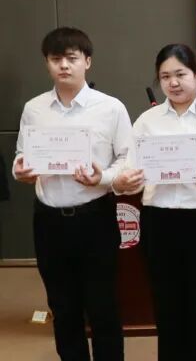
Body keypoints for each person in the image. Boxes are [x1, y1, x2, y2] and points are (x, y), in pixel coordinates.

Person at [112, 44, 196, 361]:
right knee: (168, 308)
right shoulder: (147, 121)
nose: (173, 82)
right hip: (160, 223)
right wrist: (126, 180)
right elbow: (129, 169)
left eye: (180, 74)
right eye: (165, 76)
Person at [12, 26, 132, 361]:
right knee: (62, 307)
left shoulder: (111, 108)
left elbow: (128, 159)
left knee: (103, 306)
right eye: (55, 59)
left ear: (87, 62)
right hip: (48, 220)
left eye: (71, 58)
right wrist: (21, 171)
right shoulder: (34, 109)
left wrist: (102, 177)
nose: (63, 65)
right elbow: (22, 156)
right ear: (47, 64)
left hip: (95, 217)